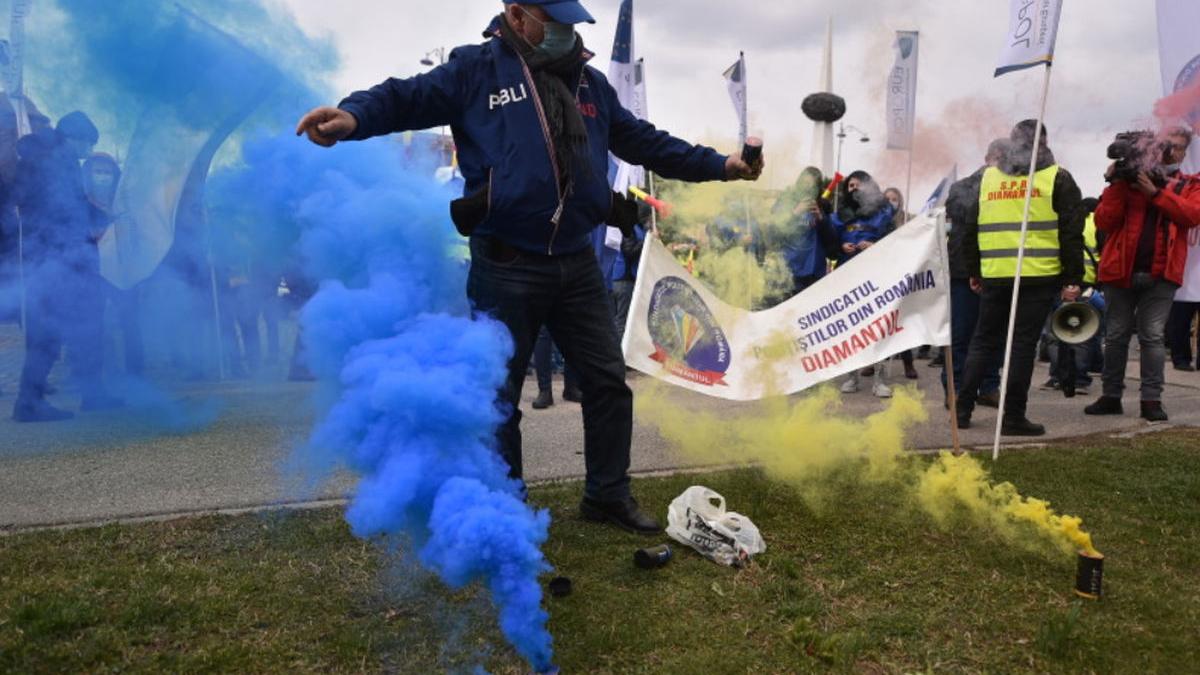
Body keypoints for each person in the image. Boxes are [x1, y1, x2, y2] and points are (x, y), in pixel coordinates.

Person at [296, 0, 762, 534]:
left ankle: (607, 495)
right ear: (518, 16)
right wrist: (353, 116)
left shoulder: (590, 86)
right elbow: (406, 96)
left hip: (577, 265)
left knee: (608, 383)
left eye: (573, 22)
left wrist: (722, 165)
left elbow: (646, 142)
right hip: (504, 267)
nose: (568, 31)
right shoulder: (475, 70)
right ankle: (507, 507)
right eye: (556, 21)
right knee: (498, 398)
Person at [955, 120, 1084, 435]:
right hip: (1037, 277)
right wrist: (1073, 278)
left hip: (996, 275)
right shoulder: (1058, 178)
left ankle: (961, 410)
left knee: (982, 341)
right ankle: (1012, 417)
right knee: (1022, 346)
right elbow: (1071, 233)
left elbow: (969, 230)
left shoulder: (988, 179)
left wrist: (975, 270)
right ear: (1043, 143)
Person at [12, 111, 122, 421]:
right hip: (60, 260)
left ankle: (51, 398)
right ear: (75, 138)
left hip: (49, 258)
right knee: (70, 327)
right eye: (88, 145)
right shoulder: (56, 160)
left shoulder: (42, 156)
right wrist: (101, 218)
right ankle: (33, 402)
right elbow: (65, 208)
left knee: (62, 329)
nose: (88, 152)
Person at [1085, 126, 1200, 421]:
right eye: (1167, 145)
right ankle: (1111, 395)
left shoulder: (1190, 183)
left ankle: (1151, 400)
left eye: (1177, 148)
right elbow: (1105, 221)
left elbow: (1190, 215)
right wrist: (1116, 184)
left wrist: (1156, 193)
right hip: (1119, 272)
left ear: (1185, 153)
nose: (1170, 152)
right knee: (1116, 335)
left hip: (1162, 274)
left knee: (1151, 336)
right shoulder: (1127, 180)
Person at [943, 140, 1010, 410]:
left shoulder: (1012, 188)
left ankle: (989, 386)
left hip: (998, 270)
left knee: (995, 334)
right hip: (964, 270)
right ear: (990, 157)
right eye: (1002, 159)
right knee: (962, 334)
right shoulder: (963, 187)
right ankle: (956, 389)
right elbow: (960, 211)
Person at [829, 170, 895, 398]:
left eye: (859, 185)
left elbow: (895, 242)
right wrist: (841, 247)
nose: (854, 189)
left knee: (879, 328)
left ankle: (880, 379)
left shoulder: (884, 212)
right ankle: (851, 376)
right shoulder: (840, 215)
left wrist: (877, 246)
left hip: (876, 278)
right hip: (848, 277)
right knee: (849, 329)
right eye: (850, 186)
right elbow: (830, 243)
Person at [771, 166, 836, 298]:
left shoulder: (822, 207)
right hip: (787, 273)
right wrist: (795, 213)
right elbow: (773, 233)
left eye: (812, 186)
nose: (807, 189)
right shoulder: (784, 202)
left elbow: (832, 243)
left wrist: (821, 219)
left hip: (813, 275)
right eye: (804, 184)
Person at [884, 186, 920, 379]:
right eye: (887, 199)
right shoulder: (878, 219)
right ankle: (874, 364)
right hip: (882, 275)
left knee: (901, 320)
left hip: (902, 276)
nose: (891, 202)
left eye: (894, 199)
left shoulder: (908, 219)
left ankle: (908, 362)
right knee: (880, 323)